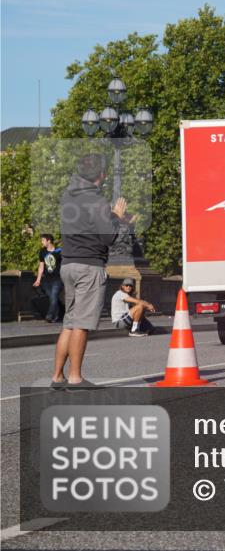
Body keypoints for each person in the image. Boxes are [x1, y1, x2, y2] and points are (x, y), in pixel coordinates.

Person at [53, 154, 126, 389]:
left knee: (70, 323)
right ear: (101, 175)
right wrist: (117, 217)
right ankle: (75, 378)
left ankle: (57, 377)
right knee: (82, 324)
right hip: (89, 266)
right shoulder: (96, 200)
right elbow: (109, 237)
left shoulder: (67, 195)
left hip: (68, 264)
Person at [33, 233, 63, 323]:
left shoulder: (59, 251)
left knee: (53, 296)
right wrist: (38, 280)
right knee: (52, 298)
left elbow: (64, 265)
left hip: (57, 279)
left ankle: (49, 315)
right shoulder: (42, 251)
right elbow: (41, 266)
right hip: (46, 280)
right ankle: (58, 315)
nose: (41, 242)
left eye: (43, 240)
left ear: (48, 241)